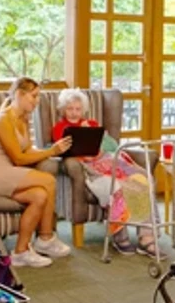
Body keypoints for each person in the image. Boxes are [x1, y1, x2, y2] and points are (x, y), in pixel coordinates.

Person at [0, 77, 72, 268]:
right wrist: (52, 152)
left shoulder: (23, 118)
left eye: (38, 97)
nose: (37, 101)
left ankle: (20, 252)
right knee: (48, 181)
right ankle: (45, 238)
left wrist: (50, 151)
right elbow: (18, 158)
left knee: (39, 195)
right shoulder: (2, 119)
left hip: (6, 172)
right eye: (33, 96)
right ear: (19, 94)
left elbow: (27, 151)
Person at [52, 88, 158, 256]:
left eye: (78, 109)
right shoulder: (60, 128)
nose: (74, 113)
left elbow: (112, 146)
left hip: (109, 160)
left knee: (143, 179)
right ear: (64, 109)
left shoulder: (93, 124)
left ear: (83, 110)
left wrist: (98, 143)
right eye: (70, 109)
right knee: (115, 187)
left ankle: (146, 236)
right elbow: (63, 151)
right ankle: (120, 236)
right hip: (90, 169)